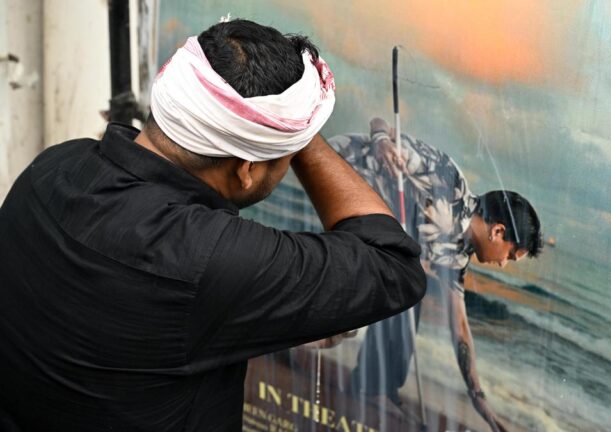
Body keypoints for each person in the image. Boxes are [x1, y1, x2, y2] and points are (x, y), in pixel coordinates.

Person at [0, 20, 425, 431]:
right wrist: (302, 134)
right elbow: (393, 265)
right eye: (285, 158)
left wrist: (275, 129)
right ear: (246, 170)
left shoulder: (55, 166)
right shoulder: (207, 257)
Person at [328, 117, 542, 432]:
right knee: (406, 283)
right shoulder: (448, 180)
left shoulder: (456, 256)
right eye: (511, 254)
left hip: (354, 220)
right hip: (333, 171)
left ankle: (375, 385)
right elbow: (379, 123)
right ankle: (370, 385)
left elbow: (460, 328)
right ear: (498, 231)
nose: (503, 264)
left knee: (410, 287)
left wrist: (478, 398)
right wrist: (382, 142)